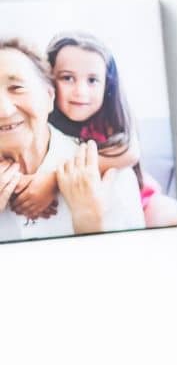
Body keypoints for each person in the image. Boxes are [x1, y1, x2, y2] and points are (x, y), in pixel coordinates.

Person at [0, 38, 144, 239]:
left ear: (49, 96)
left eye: (16, 88)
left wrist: (89, 222)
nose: (4, 110)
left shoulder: (111, 176)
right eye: (67, 78)